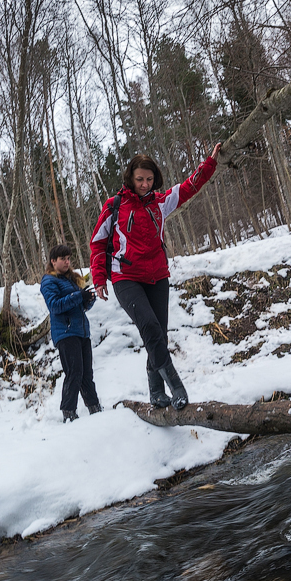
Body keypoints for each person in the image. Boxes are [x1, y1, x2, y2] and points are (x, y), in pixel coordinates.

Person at [90, 144, 221, 410]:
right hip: (125, 277)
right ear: (130, 178)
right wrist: (99, 277)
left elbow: (188, 187)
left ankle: (156, 392)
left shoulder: (160, 203)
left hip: (157, 276)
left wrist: (209, 164)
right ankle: (176, 386)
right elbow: (97, 241)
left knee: (159, 335)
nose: (144, 184)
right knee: (149, 327)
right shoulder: (115, 206)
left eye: (149, 179)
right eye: (139, 179)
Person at [41, 244, 102, 422]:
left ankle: (95, 408)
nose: (67, 262)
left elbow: (80, 306)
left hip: (81, 331)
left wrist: (87, 299)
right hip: (66, 333)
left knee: (86, 374)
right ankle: (68, 412)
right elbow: (55, 306)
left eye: (68, 258)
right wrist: (77, 296)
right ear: (53, 261)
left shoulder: (71, 280)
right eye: (63, 259)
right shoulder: (49, 281)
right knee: (74, 372)